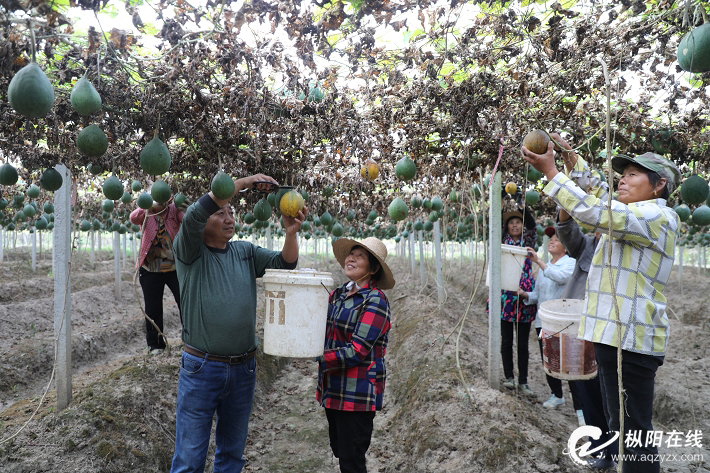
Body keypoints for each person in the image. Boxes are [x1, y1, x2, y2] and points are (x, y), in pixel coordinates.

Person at [522, 137, 680, 473]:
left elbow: (596, 211)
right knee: (622, 429)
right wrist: (571, 163)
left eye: (634, 174)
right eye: (623, 174)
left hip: (631, 342)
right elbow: (598, 192)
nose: (622, 178)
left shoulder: (657, 217)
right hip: (616, 337)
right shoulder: (634, 214)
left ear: (659, 184)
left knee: (633, 433)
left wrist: (551, 173)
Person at [169, 173, 306, 473]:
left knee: (232, 456)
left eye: (231, 212)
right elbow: (193, 213)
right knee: (190, 458)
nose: (229, 218)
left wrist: (291, 233)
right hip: (202, 368)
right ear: (204, 221)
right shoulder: (189, 253)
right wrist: (242, 183)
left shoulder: (245, 252)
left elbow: (285, 264)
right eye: (220, 213)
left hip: (244, 368)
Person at [317, 237, 394, 473]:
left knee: (352, 461)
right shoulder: (338, 295)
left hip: (357, 393)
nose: (351, 258)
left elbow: (357, 350)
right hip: (333, 387)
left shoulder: (375, 301)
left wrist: (318, 356)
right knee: (340, 450)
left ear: (372, 268)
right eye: (351, 254)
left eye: (360, 256)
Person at [517, 227, 576, 411]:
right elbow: (539, 294)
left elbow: (560, 278)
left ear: (566, 247)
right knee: (549, 360)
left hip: (562, 321)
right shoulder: (545, 267)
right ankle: (557, 395)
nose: (551, 241)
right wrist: (525, 295)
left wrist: (540, 262)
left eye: (556, 239)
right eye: (551, 238)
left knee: (568, 363)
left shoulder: (570, 263)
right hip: (543, 320)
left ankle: (580, 407)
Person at [490, 206, 537, 396]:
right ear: (507, 227)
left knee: (523, 344)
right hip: (505, 297)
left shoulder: (527, 243)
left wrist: (521, 204)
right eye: (511, 223)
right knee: (507, 341)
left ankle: (523, 381)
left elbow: (533, 226)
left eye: (518, 222)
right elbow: (494, 227)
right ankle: (509, 377)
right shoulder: (501, 241)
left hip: (524, 296)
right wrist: (500, 196)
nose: (515, 225)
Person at [130, 196, 185, 355]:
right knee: (152, 308)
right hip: (150, 269)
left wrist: (185, 205)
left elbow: (187, 218)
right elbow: (133, 218)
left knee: (185, 303)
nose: (159, 204)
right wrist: (148, 206)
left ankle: (190, 341)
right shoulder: (147, 212)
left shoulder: (173, 210)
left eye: (162, 200)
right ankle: (155, 345)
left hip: (175, 268)